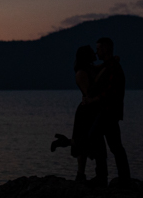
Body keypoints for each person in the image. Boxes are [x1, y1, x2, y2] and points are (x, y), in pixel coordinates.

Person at [51, 45, 108, 183]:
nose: (95, 53)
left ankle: (85, 175)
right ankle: (81, 174)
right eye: (91, 52)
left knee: (89, 141)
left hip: (94, 109)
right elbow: (89, 93)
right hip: (86, 112)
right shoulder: (81, 73)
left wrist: (110, 62)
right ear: (86, 56)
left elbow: (101, 68)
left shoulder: (90, 69)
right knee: (83, 141)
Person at [87, 37, 131, 184]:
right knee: (114, 145)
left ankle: (103, 176)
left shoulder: (113, 68)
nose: (97, 51)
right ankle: (122, 177)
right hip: (110, 111)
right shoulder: (109, 66)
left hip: (108, 111)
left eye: (98, 48)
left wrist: (92, 100)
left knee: (96, 137)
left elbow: (110, 92)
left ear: (105, 49)